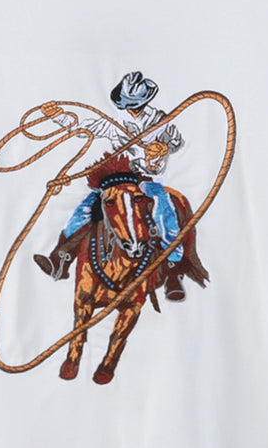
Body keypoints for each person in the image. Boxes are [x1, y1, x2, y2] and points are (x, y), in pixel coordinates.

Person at [33, 71, 188, 300]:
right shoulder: (115, 122)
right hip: (120, 179)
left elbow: (176, 141)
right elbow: (85, 129)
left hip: (149, 181)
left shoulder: (161, 121)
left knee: (164, 215)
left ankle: (173, 270)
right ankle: (60, 258)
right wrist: (60, 117)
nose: (131, 109)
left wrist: (163, 148)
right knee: (85, 210)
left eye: (134, 105)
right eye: (128, 104)